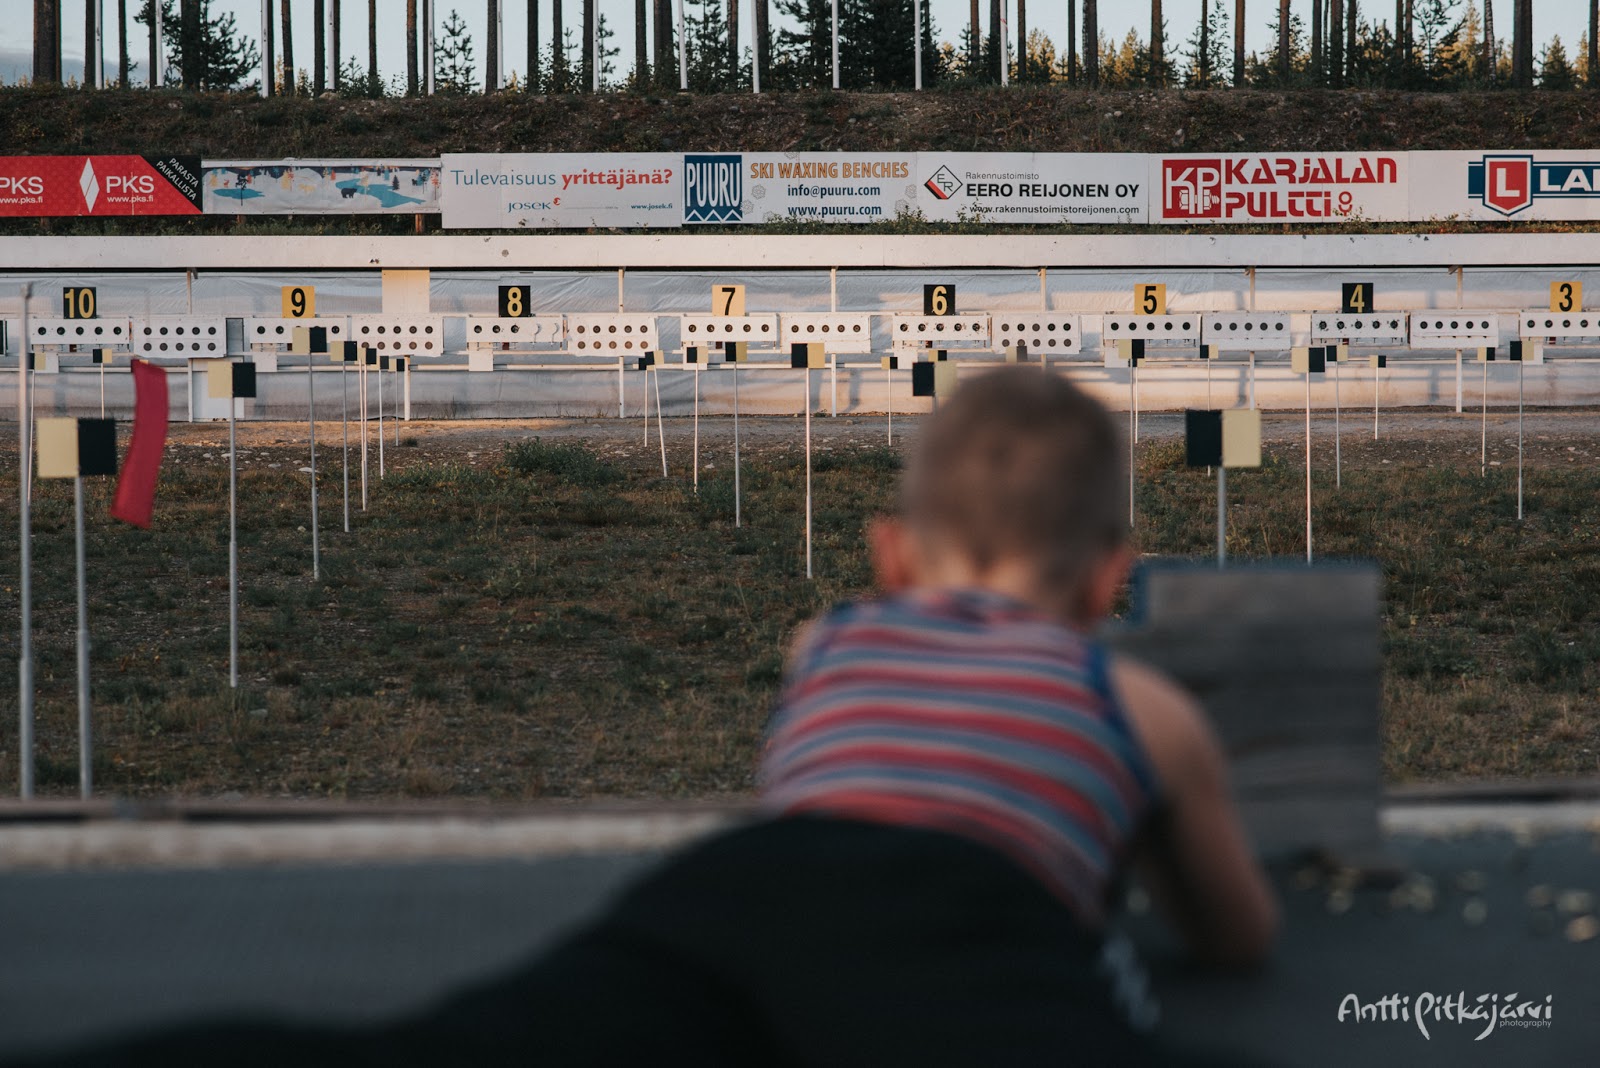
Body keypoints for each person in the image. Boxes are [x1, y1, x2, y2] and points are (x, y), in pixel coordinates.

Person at [18, 367, 1275, 1068]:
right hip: (967, 924)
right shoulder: (1140, 704)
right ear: (1111, 580)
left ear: (888, 559)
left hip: (735, 896)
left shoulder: (824, 640)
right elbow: (1234, 934)